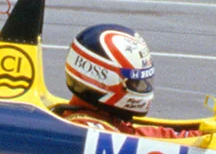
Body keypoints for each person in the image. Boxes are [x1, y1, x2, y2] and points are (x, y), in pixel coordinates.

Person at [52, 25, 191, 139]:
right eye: (134, 83)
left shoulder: (105, 119)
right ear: (103, 79)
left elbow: (139, 134)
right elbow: (139, 139)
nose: (143, 87)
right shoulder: (88, 130)